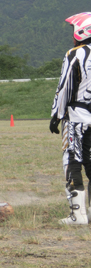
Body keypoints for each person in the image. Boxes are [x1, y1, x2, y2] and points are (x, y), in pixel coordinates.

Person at [50, 12, 91, 225]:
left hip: (76, 117)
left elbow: (64, 86)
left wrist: (56, 115)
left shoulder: (75, 54)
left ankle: (78, 215)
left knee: (72, 160)